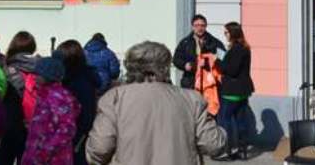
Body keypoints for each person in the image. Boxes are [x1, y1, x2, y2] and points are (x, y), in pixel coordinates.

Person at [86, 41, 226, 165]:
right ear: (165, 67)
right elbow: (213, 144)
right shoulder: (191, 98)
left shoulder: (114, 98)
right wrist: (223, 132)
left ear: (130, 66)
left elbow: (99, 149)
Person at [21, 57, 80, 165]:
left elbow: (66, 129)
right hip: (38, 155)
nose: (34, 77)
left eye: (38, 74)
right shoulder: (44, 95)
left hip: (53, 158)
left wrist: (45, 151)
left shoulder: (57, 97)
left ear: (48, 76)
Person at [55, 40, 99, 165]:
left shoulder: (78, 81)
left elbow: (85, 114)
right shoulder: (77, 78)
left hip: (76, 136)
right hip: (76, 134)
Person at [215, 22, 254, 161]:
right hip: (242, 90)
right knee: (240, 120)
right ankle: (242, 150)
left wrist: (217, 61)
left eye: (226, 32)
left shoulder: (237, 49)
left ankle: (227, 151)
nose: (225, 35)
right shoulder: (244, 47)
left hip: (232, 90)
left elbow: (232, 70)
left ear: (233, 33)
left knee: (225, 120)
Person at [0, 32, 40, 165]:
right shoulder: (41, 68)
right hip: (34, 125)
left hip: (10, 124)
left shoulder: (7, 68)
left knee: (5, 159)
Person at [173, 14, 225, 89]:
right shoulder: (185, 42)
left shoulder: (215, 42)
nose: (199, 28)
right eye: (197, 25)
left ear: (206, 26)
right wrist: (184, 65)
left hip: (209, 83)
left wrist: (208, 63)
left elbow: (223, 60)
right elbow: (176, 59)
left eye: (202, 25)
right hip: (190, 82)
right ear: (192, 26)